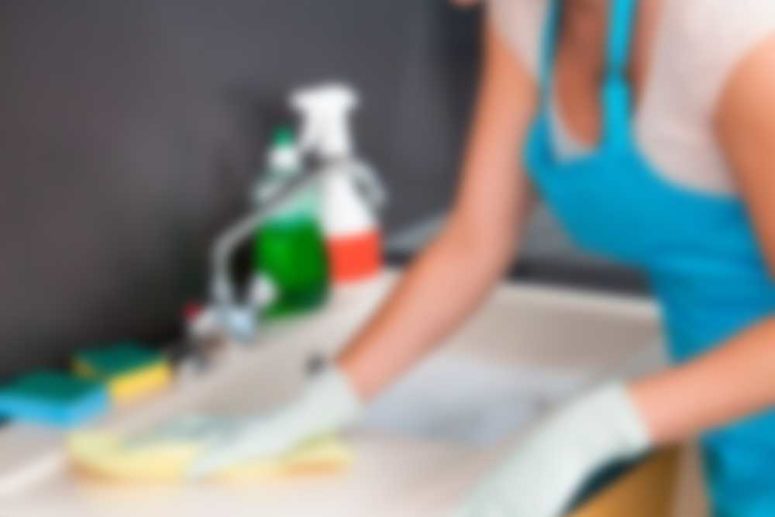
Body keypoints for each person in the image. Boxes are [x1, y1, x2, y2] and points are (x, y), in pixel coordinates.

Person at [188, 1, 775, 515]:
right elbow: (476, 241)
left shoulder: (731, 29)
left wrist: (601, 425)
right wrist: (326, 400)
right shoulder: (530, 14)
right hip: (738, 449)